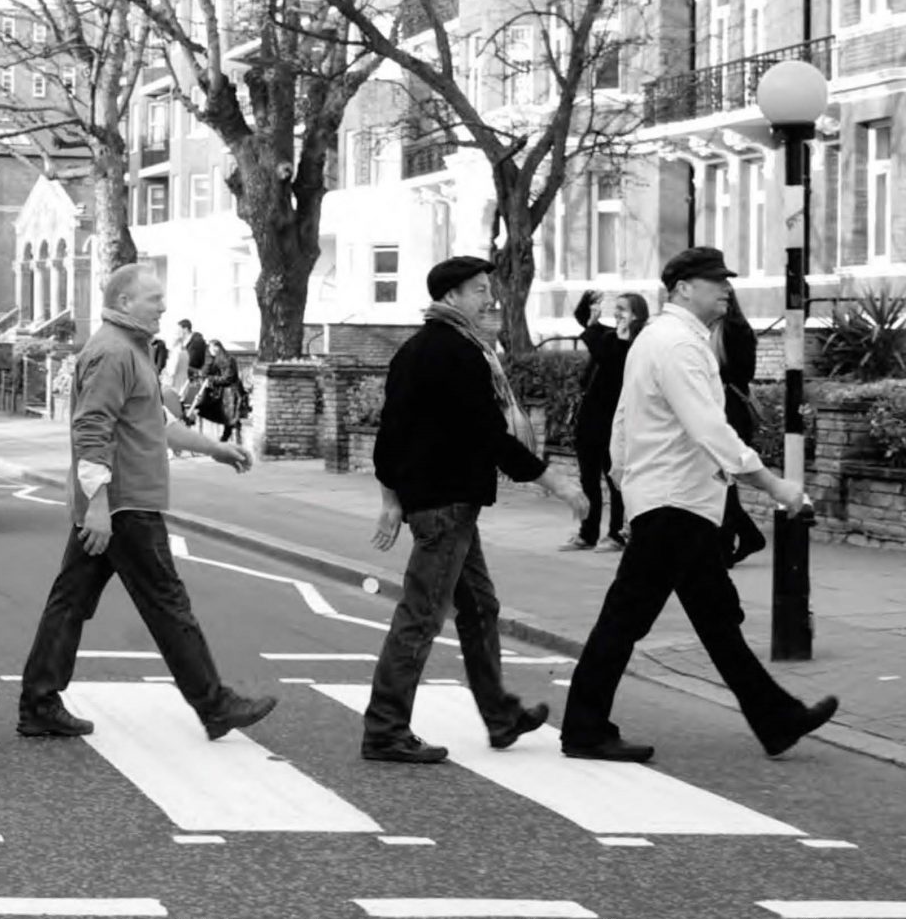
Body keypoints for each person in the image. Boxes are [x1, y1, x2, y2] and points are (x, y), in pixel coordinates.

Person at [559, 247, 839, 764]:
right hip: (675, 503)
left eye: (725, 281)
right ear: (684, 287)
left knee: (715, 620)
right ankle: (583, 728)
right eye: (715, 282)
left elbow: (624, 415)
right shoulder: (678, 346)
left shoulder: (658, 339)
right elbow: (709, 426)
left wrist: (625, 476)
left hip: (673, 500)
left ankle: (776, 718)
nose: (725, 290)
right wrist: (774, 485)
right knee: (625, 618)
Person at [17, 263, 276, 742]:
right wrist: (97, 504)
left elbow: (154, 420)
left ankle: (39, 702)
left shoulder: (128, 351)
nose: (163, 306)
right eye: (153, 298)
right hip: (123, 505)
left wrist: (215, 448)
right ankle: (213, 703)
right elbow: (92, 428)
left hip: (114, 503)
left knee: (71, 602)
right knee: (167, 603)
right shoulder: (114, 353)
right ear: (123, 304)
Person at [360, 257, 587, 764]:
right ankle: (385, 728)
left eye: (489, 289)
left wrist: (391, 499)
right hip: (446, 505)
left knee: (480, 608)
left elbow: (389, 434)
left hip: (440, 504)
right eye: (480, 290)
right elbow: (488, 435)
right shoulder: (456, 354)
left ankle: (501, 716)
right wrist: (553, 481)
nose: (490, 299)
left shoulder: (417, 350)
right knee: (421, 616)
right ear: (451, 297)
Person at [566, 290, 643, 552]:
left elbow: (607, 359)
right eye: (616, 308)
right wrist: (587, 303)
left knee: (615, 479)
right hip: (590, 418)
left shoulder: (636, 343)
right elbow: (586, 323)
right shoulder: (611, 336)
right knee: (588, 478)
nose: (617, 313)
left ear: (637, 315)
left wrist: (600, 333)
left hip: (615, 421)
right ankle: (587, 533)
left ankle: (616, 534)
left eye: (624, 309)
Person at [715, 290, 768, 567]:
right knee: (722, 478)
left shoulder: (731, 330)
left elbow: (740, 372)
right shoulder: (731, 328)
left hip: (729, 408)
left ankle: (727, 544)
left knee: (724, 477)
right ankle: (747, 535)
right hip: (727, 405)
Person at [193, 348, 246, 444]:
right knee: (225, 416)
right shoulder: (216, 360)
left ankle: (229, 438)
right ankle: (226, 437)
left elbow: (227, 379)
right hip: (224, 393)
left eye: (212, 349)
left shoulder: (229, 360)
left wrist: (212, 379)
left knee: (230, 417)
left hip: (231, 393)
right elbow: (206, 372)